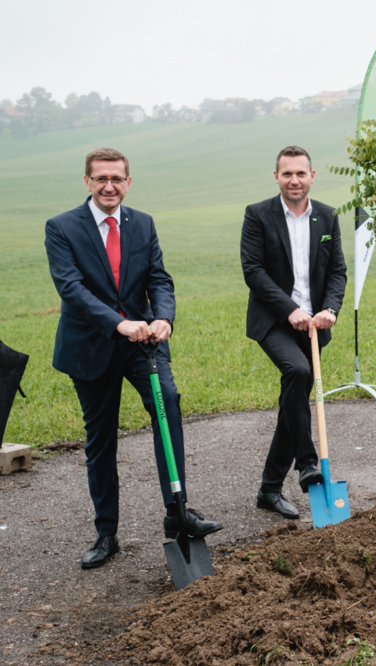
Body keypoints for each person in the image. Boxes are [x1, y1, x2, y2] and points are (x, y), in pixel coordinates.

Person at [45, 148, 222, 570]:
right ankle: (106, 533)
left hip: (144, 344)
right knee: (101, 440)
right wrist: (117, 323)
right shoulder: (62, 228)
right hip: (91, 346)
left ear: (128, 182)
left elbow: (159, 277)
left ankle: (178, 513)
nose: (110, 186)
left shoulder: (142, 223)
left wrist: (164, 318)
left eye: (117, 179)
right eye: (101, 178)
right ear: (87, 181)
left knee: (169, 404)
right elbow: (72, 289)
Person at [240, 145, 347, 520]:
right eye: (287, 174)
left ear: (312, 176)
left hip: (315, 327)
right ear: (276, 177)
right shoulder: (258, 215)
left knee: (294, 403)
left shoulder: (328, 217)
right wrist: (291, 310)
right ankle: (306, 462)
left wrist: (330, 308)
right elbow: (253, 272)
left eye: (301, 173)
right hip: (273, 321)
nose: (294, 180)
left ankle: (269, 489)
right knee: (298, 373)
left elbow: (337, 271)